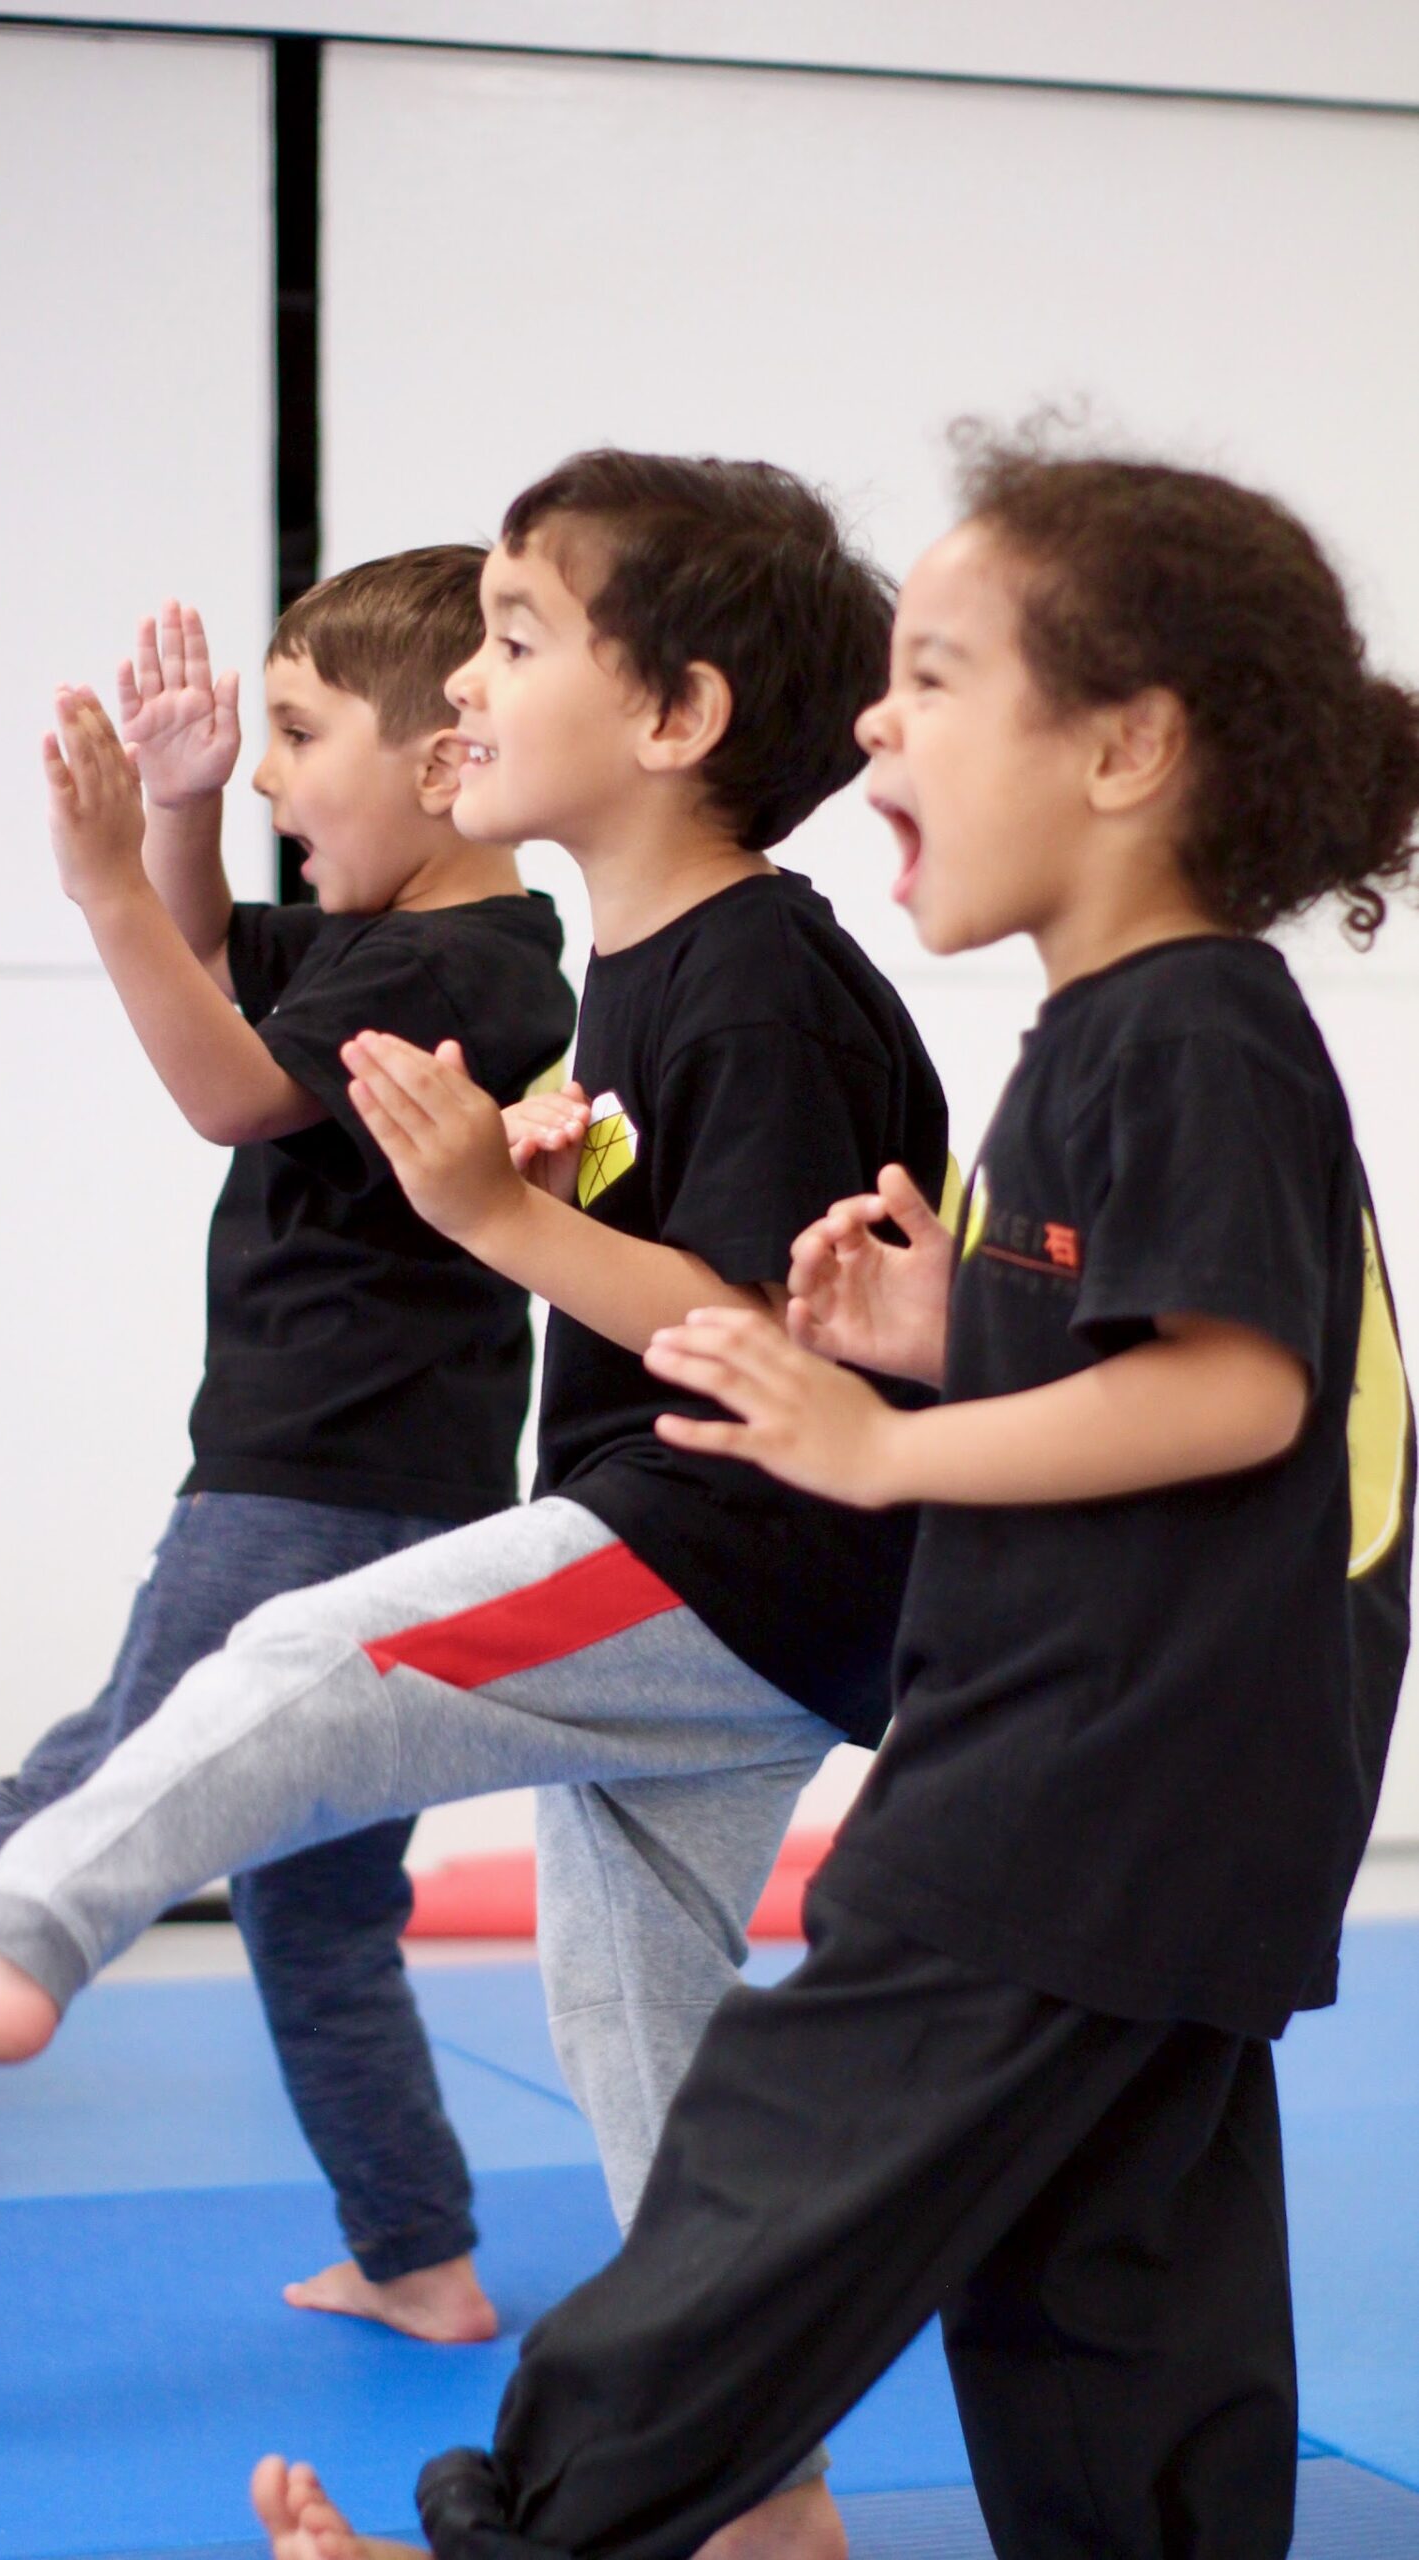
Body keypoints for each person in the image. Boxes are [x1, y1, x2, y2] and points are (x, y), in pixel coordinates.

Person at [0, 447, 948, 2560]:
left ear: (677, 719)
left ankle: (4, 1951)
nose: (468, 691)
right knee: (640, 2039)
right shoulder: (642, 966)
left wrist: (489, 1209)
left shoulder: (744, 968)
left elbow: (755, 1322)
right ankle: (762, 2492)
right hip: (736, 1576)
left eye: (513, 640)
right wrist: (527, 1194)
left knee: (292, 1657)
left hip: (727, 1548)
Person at [236, 434, 1419, 2560]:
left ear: (1130, 746)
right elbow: (1131, 1354)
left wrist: (873, 1443)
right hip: (1174, 1796)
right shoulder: (1112, 1035)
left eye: (939, 678)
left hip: (1082, 1781)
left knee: (766, 2176)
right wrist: (934, 1325)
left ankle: (516, 2539)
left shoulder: (1182, 1030)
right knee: (1109, 2285)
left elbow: (1238, 1387)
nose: (872, 721)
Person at [0, 559, 578, 2349]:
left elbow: (226, 1091)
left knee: (84, 1785)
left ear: (437, 765)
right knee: (317, 1905)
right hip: (347, 1477)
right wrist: (177, 814)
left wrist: (107, 876)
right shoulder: (386, 939)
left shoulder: (471, 970)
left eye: (293, 738)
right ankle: (417, 2248)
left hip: (314, 1481)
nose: (266, 778)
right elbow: (210, 971)